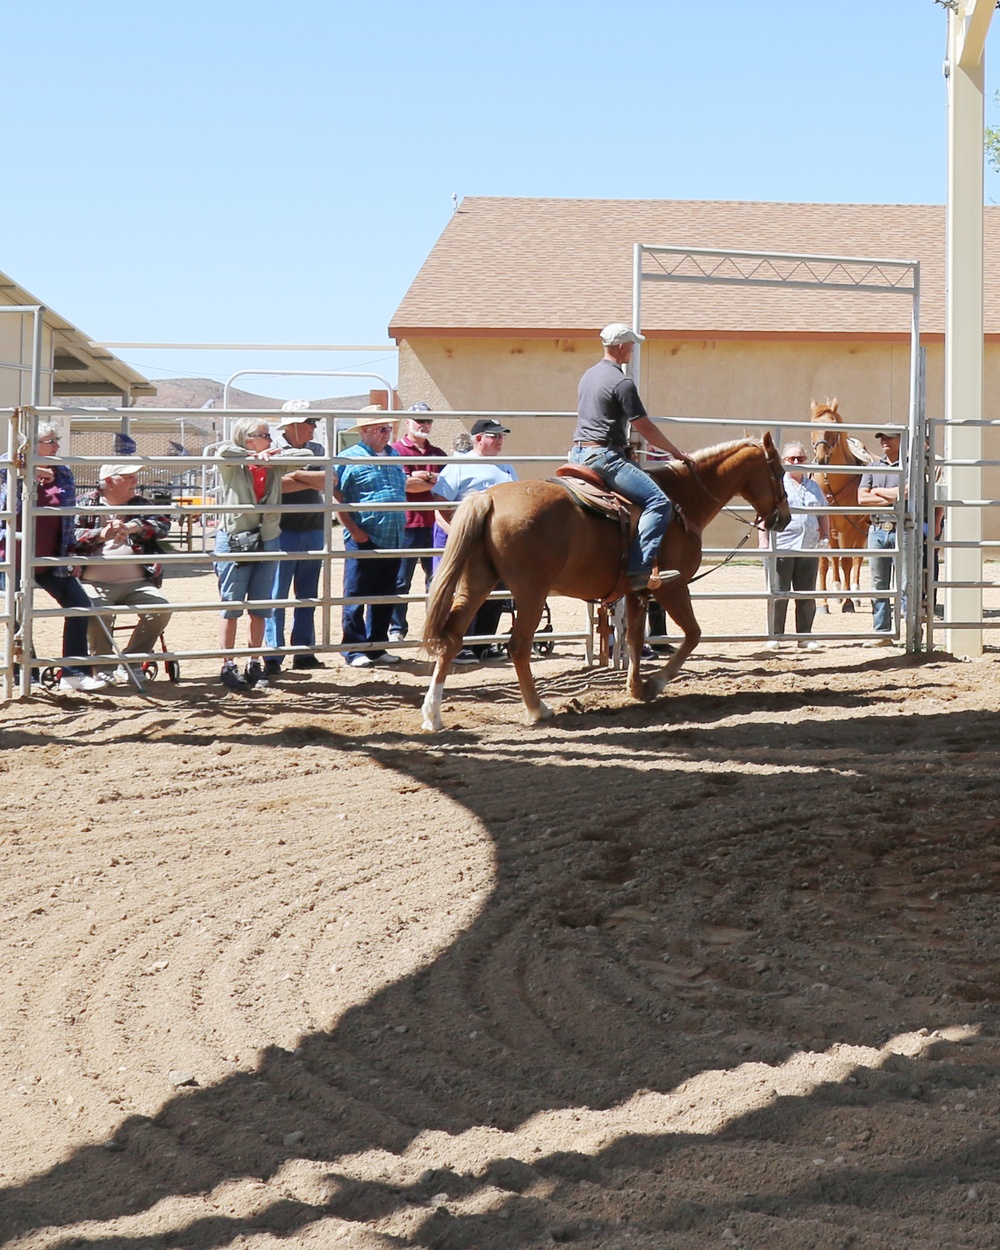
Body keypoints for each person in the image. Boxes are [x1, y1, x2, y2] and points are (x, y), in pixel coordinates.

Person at [569, 322, 693, 592]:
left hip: (577, 453)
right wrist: (675, 453)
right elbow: (645, 427)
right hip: (603, 456)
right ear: (622, 347)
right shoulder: (622, 383)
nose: (633, 351)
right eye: (632, 345)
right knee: (659, 502)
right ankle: (640, 567)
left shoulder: (588, 375)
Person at [0, 422, 107, 692]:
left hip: (52, 557)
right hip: (12, 558)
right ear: (30, 445)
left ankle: (73, 673)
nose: (57, 445)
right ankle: (27, 675)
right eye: (51, 441)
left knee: (80, 606)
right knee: (16, 616)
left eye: (56, 440)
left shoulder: (63, 472)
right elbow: (6, 510)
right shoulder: (7, 467)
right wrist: (29, 478)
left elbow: (67, 518)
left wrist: (71, 555)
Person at [74, 463, 173, 686]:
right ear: (109, 481)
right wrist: (100, 534)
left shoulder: (140, 503)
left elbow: (163, 525)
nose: (135, 482)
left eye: (135, 477)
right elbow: (69, 534)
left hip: (137, 582)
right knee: (98, 609)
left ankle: (132, 661)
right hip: (93, 582)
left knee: (161, 609)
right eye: (128, 477)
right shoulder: (84, 503)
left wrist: (133, 527)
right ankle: (103, 666)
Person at [213, 417, 292, 691]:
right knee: (231, 606)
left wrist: (272, 455)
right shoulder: (234, 464)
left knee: (260, 606)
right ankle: (228, 664)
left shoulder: (273, 464)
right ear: (248, 439)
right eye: (264, 435)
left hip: (267, 539)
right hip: (236, 539)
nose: (270, 440)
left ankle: (254, 661)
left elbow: (303, 455)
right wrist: (252, 455)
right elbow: (222, 452)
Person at [433, 418, 518, 663]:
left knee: (495, 591)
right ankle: (458, 644)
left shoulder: (506, 467)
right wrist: (454, 532)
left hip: (496, 542)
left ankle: (483, 643)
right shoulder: (458, 465)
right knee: (464, 591)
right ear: (479, 438)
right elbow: (439, 503)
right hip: (466, 538)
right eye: (495, 436)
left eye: (502, 436)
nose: (500, 440)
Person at [334, 408, 408, 668]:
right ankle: (353, 649)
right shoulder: (347, 458)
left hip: (394, 535)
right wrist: (354, 530)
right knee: (356, 593)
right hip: (364, 536)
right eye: (381, 429)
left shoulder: (394, 455)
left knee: (385, 594)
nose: (387, 433)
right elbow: (336, 495)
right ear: (364, 432)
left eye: (388, 428)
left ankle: (377, 646)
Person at [263, 404, 327, 675]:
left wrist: (295, 474)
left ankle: (303, 650)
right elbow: (275, 485)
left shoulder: (319, 450)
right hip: (282, 530)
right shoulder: (273, 449)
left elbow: (327, 480)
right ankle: (273, 653)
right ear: (292, 425)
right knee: (277, 594)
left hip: (312, 528)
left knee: (307, 595)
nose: (313, 426)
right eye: (308, 421)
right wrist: (308, 478)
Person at [759, 442, 830, 651]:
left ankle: (804, 635)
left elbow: (823, 512)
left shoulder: (814, 486)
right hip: (782, 546)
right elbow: (763, 515)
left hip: (808, 546)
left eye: (800, 459)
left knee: (806, 594)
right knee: (779, 593)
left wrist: (825, 535)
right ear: (784, 462)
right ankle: (776, 635)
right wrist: (764, 542)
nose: (796, 462)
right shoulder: (777, 485)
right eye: (792, 459)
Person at [389, 402, 446, 643]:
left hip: (435, 526)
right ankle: (396, 629)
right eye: (419, 420)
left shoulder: (439, 454)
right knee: (401, 581)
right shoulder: (396, 451)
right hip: (406, 526)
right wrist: (433, 480)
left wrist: (424, 478)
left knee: (436, 581)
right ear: (407, 423)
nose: (424, 425)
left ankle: (433, 628)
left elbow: (449, 485)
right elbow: (404, 485)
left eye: (427, 421)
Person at [858, 430, 902, 645]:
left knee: (905, 582)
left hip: (902, 528)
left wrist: (877, 491)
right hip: (876, 529)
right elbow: (861, 498)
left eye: (890, 437)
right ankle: (882, 632)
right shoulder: (872, 467)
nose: (884, 441)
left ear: (900, 439)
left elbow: (905, 494)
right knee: (878, 583)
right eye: (881, 438)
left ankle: (909, 631)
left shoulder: (909, 466)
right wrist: (891, 496)